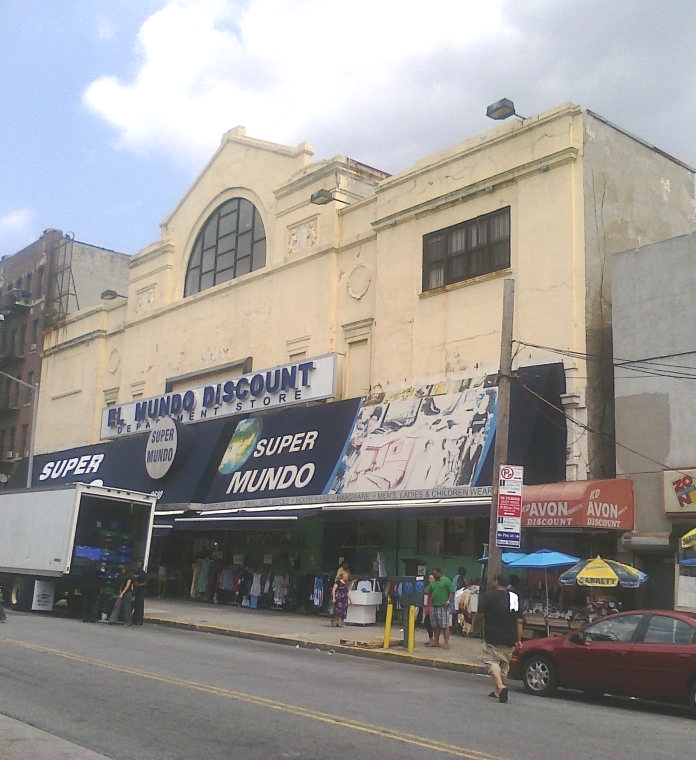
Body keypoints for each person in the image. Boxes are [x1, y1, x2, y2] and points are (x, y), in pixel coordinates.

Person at [473, 573, 524, 703]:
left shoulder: (488, 596)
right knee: (504, 663)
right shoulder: (514, 597)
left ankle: (501, 686)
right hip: (510, 636)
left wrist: (474, 627)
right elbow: (519, 621)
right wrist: (519, 639)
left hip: (492, 635)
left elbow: (479, 615)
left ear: (496, 582)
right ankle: (497, 691)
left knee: (492, 661)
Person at [425, 567, 454, 649]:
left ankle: (446, 642)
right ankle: (436, 642)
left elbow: (451, 591)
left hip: (443, 606)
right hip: (433, 606)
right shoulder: (433, 582)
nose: (434, 575)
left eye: (435, 574)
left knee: (444, 625)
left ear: (439, 573)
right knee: (435, 625)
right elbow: (427, 591)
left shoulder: (446, 580)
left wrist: (448, 601)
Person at [131, 560, 148, 625]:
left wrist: (139, 585)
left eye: (140, 564)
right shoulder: (134, 572)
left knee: (140, 606)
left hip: (141, 591)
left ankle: (139, 620)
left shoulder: (143, 573)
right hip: (134, 590)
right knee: (133, 605)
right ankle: (133, 619)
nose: (138, 565)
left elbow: (145, 582)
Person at [422, 572, 435, 644]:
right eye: (429, 578)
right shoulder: (430, 586)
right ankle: (432, 639)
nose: (430, 580)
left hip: (432, 606)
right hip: (429, 605)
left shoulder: (433, 586)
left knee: (428, 622)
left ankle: (432, 639)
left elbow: (425, 591)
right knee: (428, 623)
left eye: (431, 578)